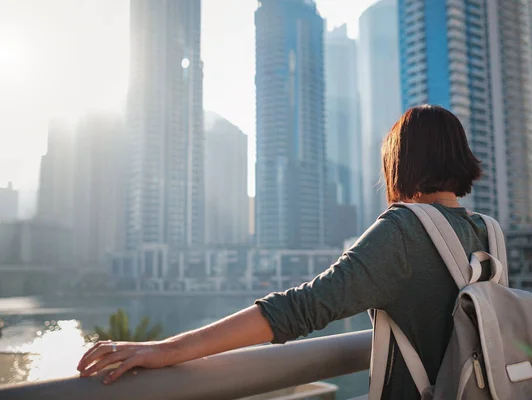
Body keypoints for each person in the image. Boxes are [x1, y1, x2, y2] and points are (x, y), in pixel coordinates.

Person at [78, 105, 488, 399]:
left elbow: (300, 308)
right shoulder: (486, 231)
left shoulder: (402, 229)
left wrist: (167, 350)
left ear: (399, 162)